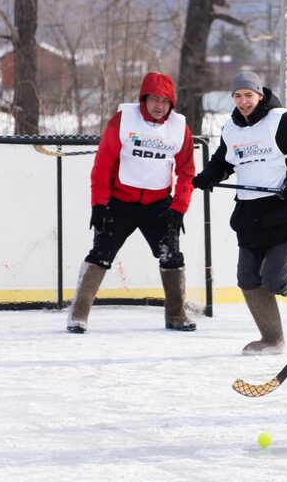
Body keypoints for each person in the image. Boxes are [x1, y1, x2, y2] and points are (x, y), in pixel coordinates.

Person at [191, 70, 287, 354]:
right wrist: (209, 175)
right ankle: (273, 340)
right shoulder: (231, 128)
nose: (243, 101)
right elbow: (224, 161)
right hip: (249, 213)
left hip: (283, 209)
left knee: (275, 280)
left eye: (249, 95)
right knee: (248, 279)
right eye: (237, 96)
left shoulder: (281, 120)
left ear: (260, 94)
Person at [67, 71, 199, 335]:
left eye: (165, 101)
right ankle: (78, 315)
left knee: (171, 257)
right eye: (154, 99)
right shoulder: (123, 120)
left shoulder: (179, 128)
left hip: (159, 205)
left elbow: (187, 172)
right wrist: (98, 204)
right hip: (119, 202)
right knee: (101, 255)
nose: (159, 106)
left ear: (171, 103)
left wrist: (178, 208)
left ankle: (176, 315)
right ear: (144, 99)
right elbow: (103, 164)